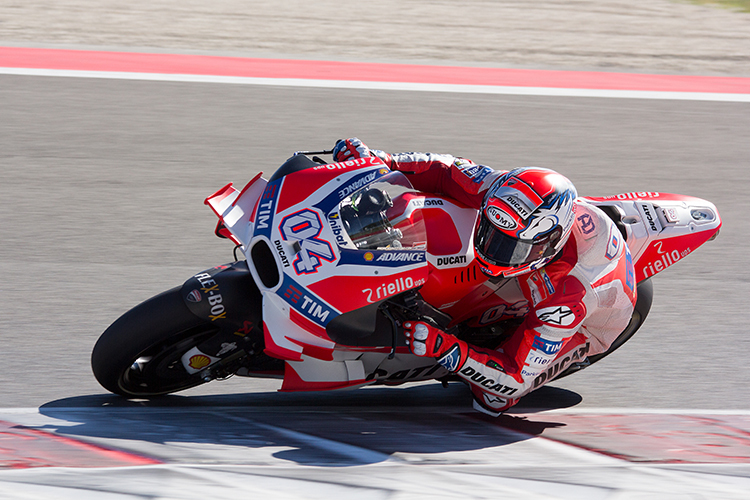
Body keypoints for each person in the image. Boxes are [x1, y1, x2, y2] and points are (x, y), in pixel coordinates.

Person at [333, 138, 637, 416]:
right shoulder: (506, 191)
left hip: (592, 322)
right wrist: (377, 162)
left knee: (492, 399)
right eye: (493, 234)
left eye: (513, 247)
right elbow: (447, 170)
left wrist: (447, 348)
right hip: (548, 259)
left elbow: (514, 378)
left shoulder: (568, 298)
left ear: (549, 243)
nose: (496, 252)